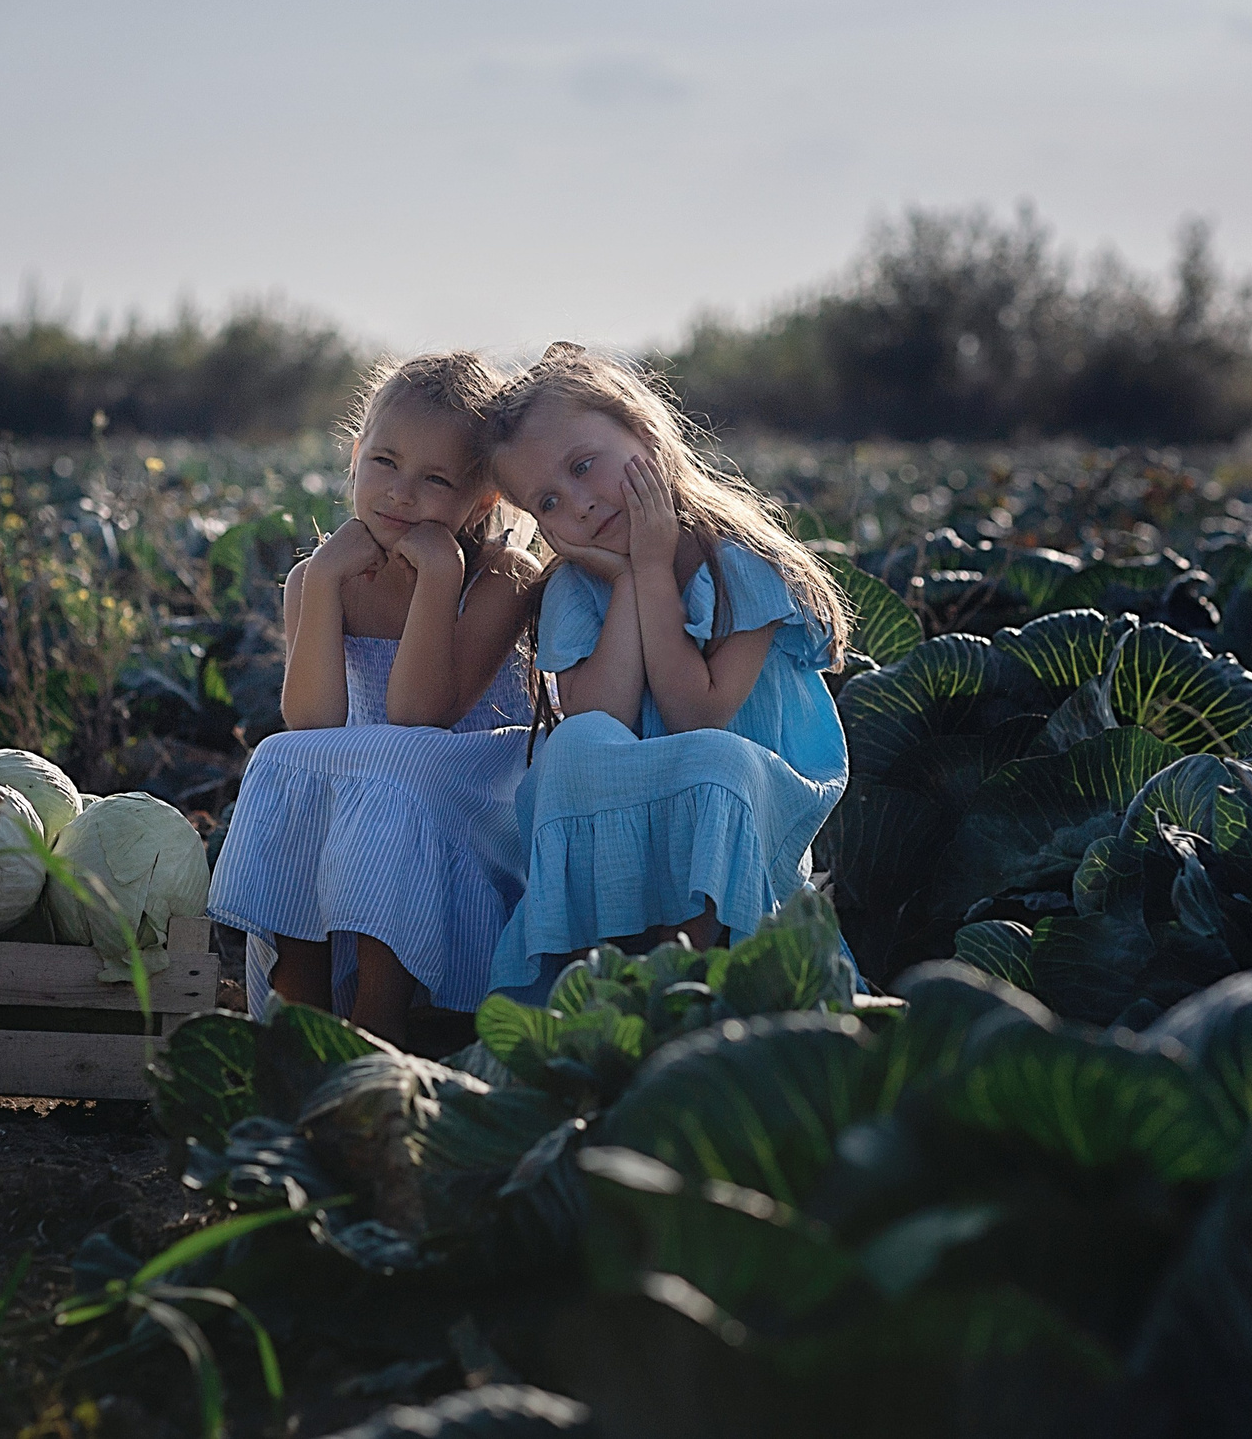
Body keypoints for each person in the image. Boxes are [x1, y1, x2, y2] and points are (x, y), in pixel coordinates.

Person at [483, 343, 850, 997]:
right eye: (548, 501)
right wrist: (625, 582)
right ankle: (594, 977)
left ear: (645, 430)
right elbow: (601, 722)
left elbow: (697, 715)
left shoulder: (741, 563)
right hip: (634, 810)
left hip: (748, 803)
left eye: (584, 465)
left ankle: (688, 977)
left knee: (716, 759)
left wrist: (651, 570)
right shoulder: (577, 589)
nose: (580, 505)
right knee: (573, 744)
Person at [207, 352, 539, 1045]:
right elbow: (312, 722)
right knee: (279, 759)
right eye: (384, 462)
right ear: (355, 455)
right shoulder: (321, 576)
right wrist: (323, 584)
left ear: (483, 501)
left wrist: (439, 579)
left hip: (470, 802)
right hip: (370, 795)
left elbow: (421, 718)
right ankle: (299, 1013)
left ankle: (376, 1022)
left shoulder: (501, 577)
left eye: (436, 479)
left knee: (391, 769)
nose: (401, 494)